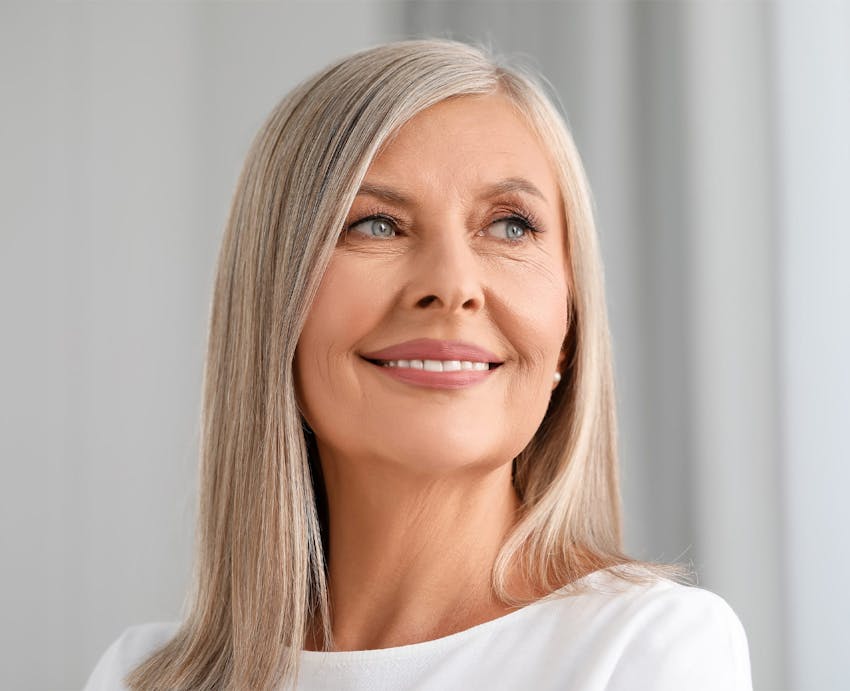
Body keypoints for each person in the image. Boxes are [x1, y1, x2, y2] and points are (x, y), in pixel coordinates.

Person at [83, 39, 752, 690]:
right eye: (377, 224)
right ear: (272, 303)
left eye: (510, 225)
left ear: (570, 329)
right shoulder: (140, 676)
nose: (453, 284)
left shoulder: (650, 650)